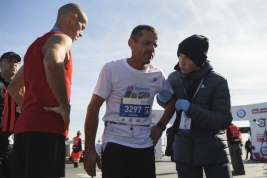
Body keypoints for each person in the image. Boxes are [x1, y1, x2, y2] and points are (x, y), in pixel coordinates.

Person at [7, 3, 88, 178]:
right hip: (47, 129)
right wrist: (64, 107)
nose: (81, 33)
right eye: (82, 27)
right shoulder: (62, 39)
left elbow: (13, 86)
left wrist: (32, 109)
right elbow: (52, 62)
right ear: (72, 18)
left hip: (24, 128)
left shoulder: (34, 46)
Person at [83, 25, 175, 178]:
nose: (152, 48)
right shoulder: (112, 69)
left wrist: (160, 126)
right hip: (115, 144)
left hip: (145, 146)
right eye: (146, 43)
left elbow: (172, 102)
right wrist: (90, 149)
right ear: (131, 43)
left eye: (155, 45)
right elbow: (94, 107)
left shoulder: (157, 75)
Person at [157, 35, 233, 178]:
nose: (182, 61)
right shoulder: (173, 78)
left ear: (199, 59)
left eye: (187, 57)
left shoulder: (218, 81)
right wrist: (162, 99)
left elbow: (224, 120)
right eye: (179, 56)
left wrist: (192, 109)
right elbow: (170, 104)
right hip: (183, 150)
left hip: (213, 152)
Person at [0, 52, 22, 178]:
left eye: (16, 62)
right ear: (0, 64)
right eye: (9, 61)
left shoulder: (24, 87)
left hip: (17, 143)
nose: (13, 64)